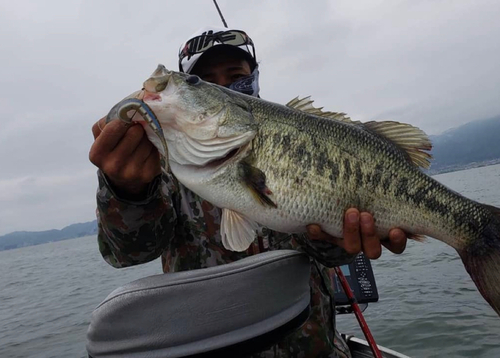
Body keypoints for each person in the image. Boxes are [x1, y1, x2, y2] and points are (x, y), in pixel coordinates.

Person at [89, 27, 407, 358]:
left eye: (236, 76)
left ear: (254, 80)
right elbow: (129, 253)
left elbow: (329, 252)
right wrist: (127, 191)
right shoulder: (161, 164)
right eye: (203, 80)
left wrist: (337, 240)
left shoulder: (296, 144)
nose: (223, 85)